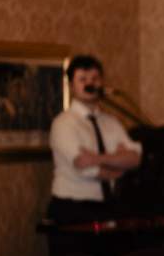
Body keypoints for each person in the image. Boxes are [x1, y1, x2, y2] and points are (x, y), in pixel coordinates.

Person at [47, 55, 142, 225]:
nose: (90, 84)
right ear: (71, 86)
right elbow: (82, 165)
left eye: (95, 79)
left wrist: (98, 159)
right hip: (72, 207)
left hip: (106, 205)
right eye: (82, 79)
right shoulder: (63, 123)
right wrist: (114, 168)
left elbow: (134, 158)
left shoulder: (110, 122)